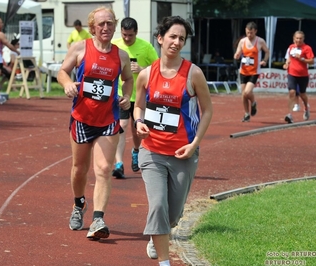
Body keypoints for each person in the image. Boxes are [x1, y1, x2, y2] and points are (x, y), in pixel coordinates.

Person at [134, 16, 213, 266]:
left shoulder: (194, 74)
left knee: (174, 213)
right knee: (158, 205)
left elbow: (207, 110)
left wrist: (194, 144)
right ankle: (165, 262)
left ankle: (159, 233)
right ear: (160, 38)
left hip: (183, 153)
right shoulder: (146, 75)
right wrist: (139, 122)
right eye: (172, 36)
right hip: (153, 151)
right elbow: (138, 106)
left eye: (182, 38)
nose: (177, 42)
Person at [57, 6, 133, 240]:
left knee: (103, 169)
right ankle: (79, 205)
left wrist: (127, 97)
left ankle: (98, 218)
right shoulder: (80, 48)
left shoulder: (120, 55)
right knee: (80, 169)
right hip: (82, 118)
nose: (106, 28)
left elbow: (128, 79)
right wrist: (67, 83)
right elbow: (62, 71)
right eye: (101, 24)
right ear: (92, 27)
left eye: (110, 23)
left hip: (108, 120)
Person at [110, 17, 158, 179]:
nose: (127, 38)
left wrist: (142, 68)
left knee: (137, 128)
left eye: (130, 35)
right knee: (121, 125)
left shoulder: (146, 47)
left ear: (136, 33)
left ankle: (136, 151)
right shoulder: (115, 45)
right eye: (124, 35)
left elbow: (158, 68)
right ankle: (119, 164)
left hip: (140, 96)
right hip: (121, 95)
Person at [234, 21, 269, 122]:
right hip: (243, 71)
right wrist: (236, 56)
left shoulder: (260, 41)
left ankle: (253, 103)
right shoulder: (242, 41)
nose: (249, 35)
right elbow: (238, 52)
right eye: (247, 32)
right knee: (243, 94)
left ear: (255, 32)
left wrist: (265, 60)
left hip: (254, 71)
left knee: (247, 92)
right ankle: (246, 114)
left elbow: (267, 52)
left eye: (251, 33)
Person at [283, 31, 314, 123]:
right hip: (292, 73)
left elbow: (312, 61)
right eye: (297, 38)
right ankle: (290, 114)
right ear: (294, 39)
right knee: (292, 92)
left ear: (303, 39)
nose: (298, 40)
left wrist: (302, 59)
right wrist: (286, 64)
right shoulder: (291, 47)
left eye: (300, 38)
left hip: (303, 75)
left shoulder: (307, 48)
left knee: (302, 94)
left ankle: (306, 108)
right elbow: (288, 58)